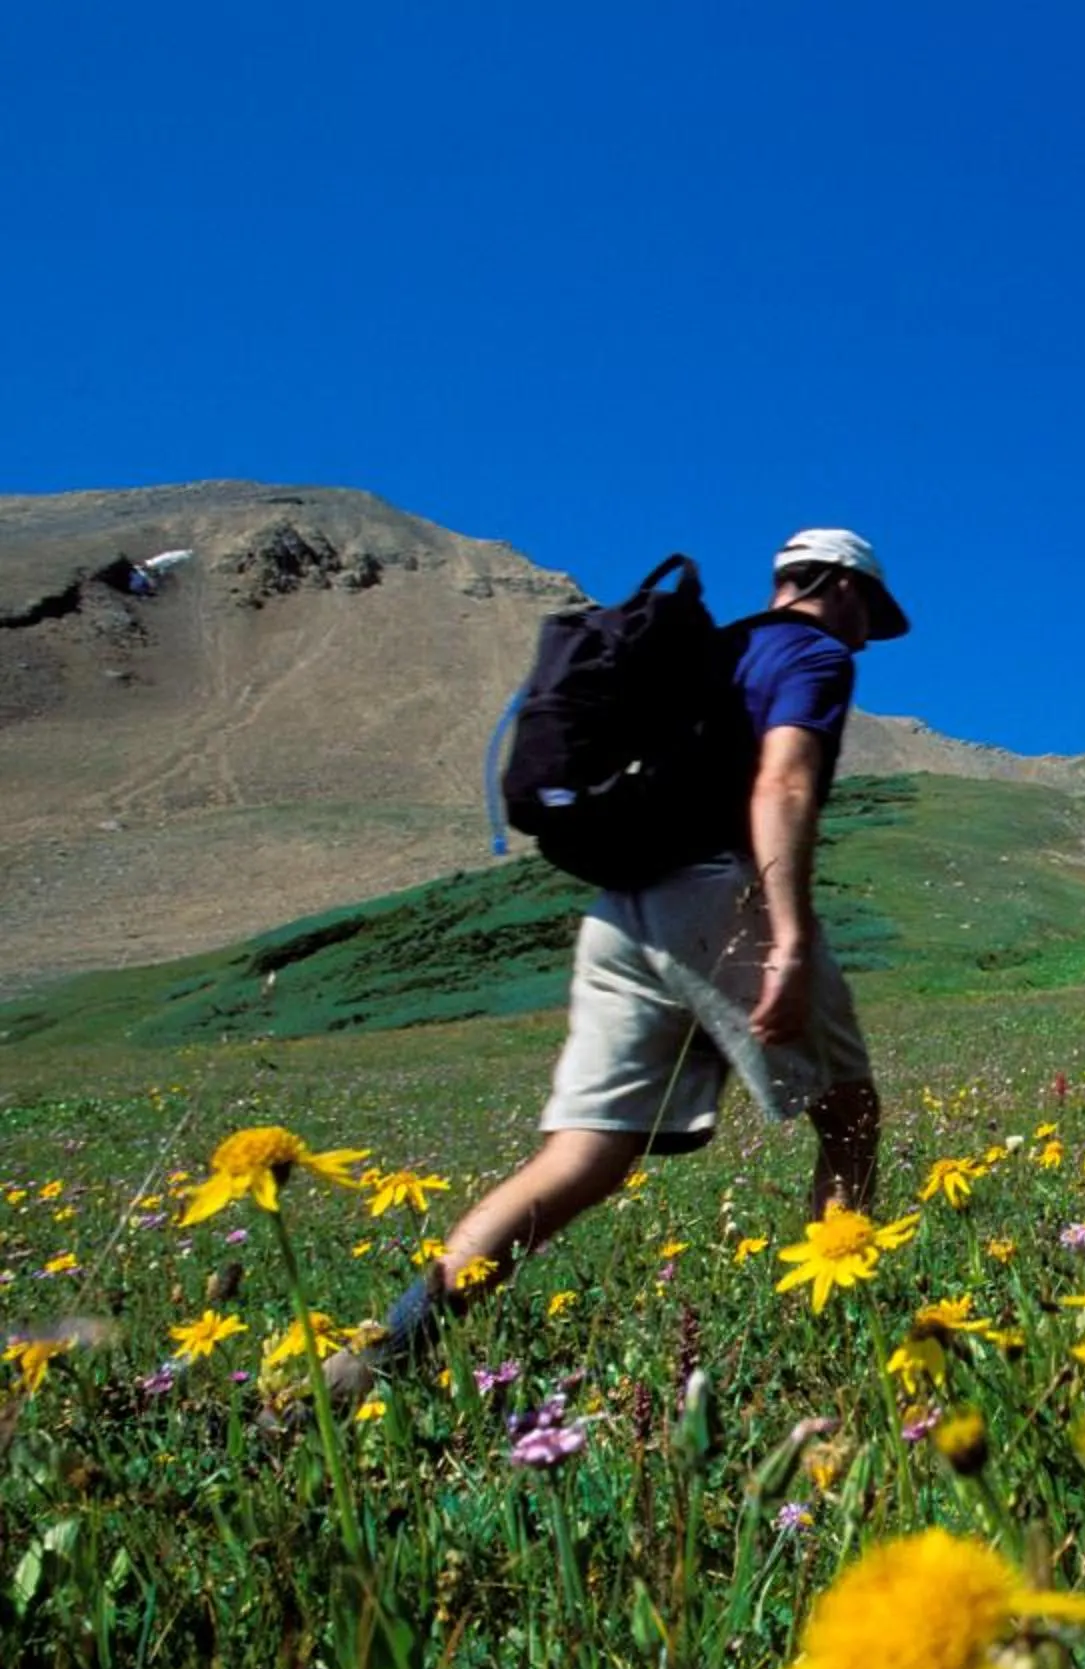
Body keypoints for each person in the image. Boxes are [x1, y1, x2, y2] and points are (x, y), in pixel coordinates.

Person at [326, 528, 908, 1401]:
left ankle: (378, 1354)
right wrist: (786, 934)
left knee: (583, 1159)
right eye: (872, 612)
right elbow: (783, 783)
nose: (867, 635)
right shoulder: (812, 654)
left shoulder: (711, 653)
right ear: (846, 589)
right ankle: (842, 1332)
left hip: (623, 908)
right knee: (850, 1115)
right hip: (723, 900)